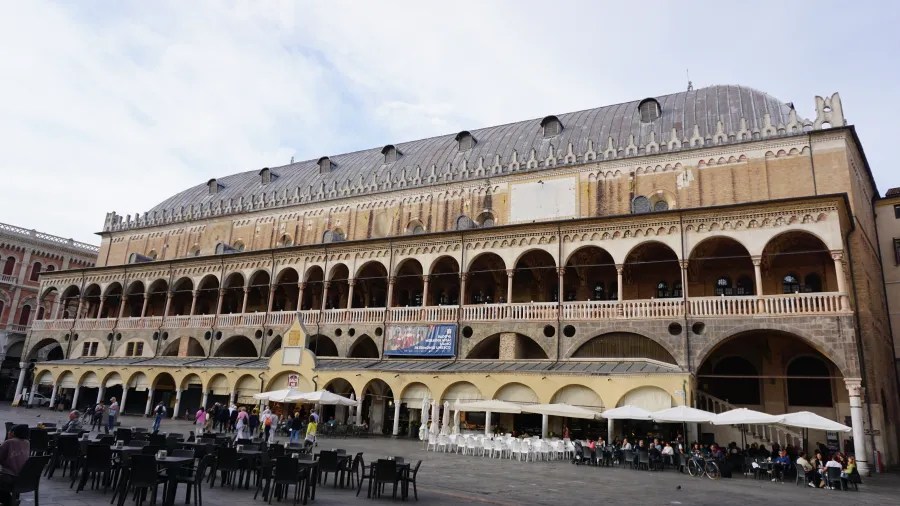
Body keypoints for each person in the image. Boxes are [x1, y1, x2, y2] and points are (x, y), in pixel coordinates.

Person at [0, 425, 30, 505]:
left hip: (10, 476)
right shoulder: (27, 443)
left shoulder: (9, 442)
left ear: (13, 433)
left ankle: (10, 502)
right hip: (23, 478)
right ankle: (12, 501)